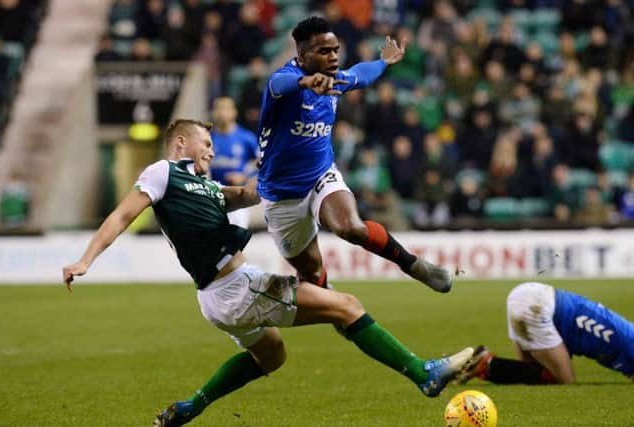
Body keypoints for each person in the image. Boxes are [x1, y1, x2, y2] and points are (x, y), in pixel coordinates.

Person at [61, 119, 474, 427]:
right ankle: (423, 374)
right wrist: (86, 259)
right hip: (237, 287)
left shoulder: (202, 187)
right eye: (206, 144)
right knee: (347, 306)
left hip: (215, 297)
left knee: (272, 355)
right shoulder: (162, 173)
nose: (211, 151)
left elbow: (244, 194)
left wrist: (284, 163)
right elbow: (121, 215)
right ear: (181, 143)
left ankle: (192, 406)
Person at [256, 16, 452, 293]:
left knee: (351, 227)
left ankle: (414, 265)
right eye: (324, 51)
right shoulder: (283, 81)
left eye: (335, 50)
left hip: (320, 175)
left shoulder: (335, 79)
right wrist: (307, 83)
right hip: (281, 193)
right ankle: (332, 304)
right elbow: (282, 85)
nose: (334, 57)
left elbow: (361, 73)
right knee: (311, 274)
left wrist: (384, 62)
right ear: (302, 54)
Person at [456, 282, 634, 385]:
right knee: (565, 381)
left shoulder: (624, 342)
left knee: (534, 371)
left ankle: (466, 363)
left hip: (531, 297)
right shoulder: (630, 343)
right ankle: (487, 364)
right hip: (538, 307)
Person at [209, 96, 259, 227]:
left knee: (235, 241)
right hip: (211, 198)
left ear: (234, 112)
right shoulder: (207, 138)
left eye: (225, 108)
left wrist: (245, 176)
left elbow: (261, 163)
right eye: (218, 109)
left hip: (238, 198)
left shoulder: (246, 138)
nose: (221, 113)